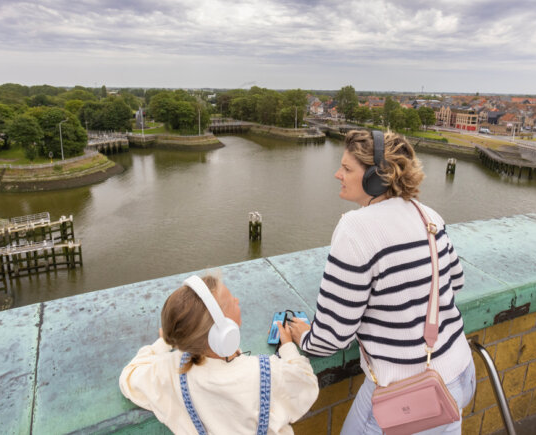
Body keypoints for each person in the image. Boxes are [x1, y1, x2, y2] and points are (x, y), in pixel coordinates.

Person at [287, 130, 475, 434]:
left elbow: (333, 336)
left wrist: (305, 338)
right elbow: (456, 282)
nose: (337, 174)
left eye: (347, 169)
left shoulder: (356, 228)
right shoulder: (428, 216)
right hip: (460, 376)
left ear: (377, 177)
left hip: (409, 394)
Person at [120, 274, 319, 434]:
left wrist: (164, 342)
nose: (237, 299)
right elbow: (307, 384)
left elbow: (129, 377)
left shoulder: (172, 371)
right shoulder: (265, 373)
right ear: (222, 332)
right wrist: (287, 347)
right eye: (231, 302)